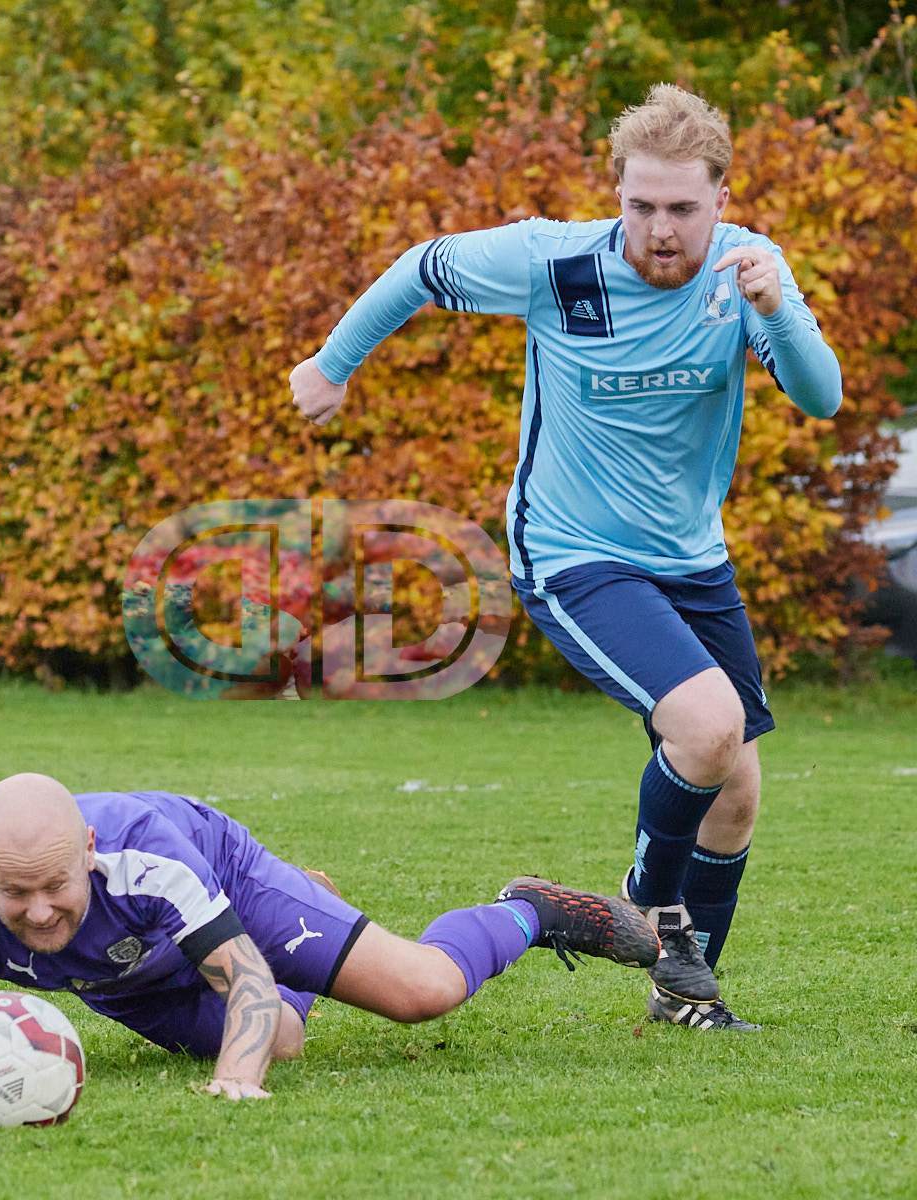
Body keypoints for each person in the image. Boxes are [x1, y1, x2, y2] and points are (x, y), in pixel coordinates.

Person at [290, 84, 842, 1031]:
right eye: (641, 205)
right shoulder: (554, 261)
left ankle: (682, 996)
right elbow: (420, 268)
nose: (660, 230)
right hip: (573, 553)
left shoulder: (749, 272)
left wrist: (776, 310)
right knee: (708, 728)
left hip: (692, 560)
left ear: (721, 198)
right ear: (616, 193)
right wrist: (331, 365)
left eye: (683, 208)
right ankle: (644, 899)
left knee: (737, 790)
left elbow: (820, 395)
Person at [0, 773, 659, 1098]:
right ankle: (304, 921)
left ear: (89, 850)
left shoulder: (146, 856)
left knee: (422, 992)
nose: (38, 911)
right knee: (286, 1038)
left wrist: (236, 1083)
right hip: (122, 976)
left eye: (56, 887)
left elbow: (243, 981)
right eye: (17, 895)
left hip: (219, 884)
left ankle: (531, 909)